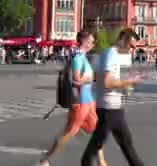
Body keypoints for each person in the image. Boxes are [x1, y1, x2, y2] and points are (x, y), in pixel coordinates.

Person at [39, 31, 107, 166]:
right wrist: (90, 78)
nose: (93, 44)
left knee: (97, 131)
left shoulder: (83, 57)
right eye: (92, 41)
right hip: (80, 101)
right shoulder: (77, 57)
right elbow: (76, 80)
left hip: (89, 101)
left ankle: (101, 162)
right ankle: (45, 160)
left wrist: (92, 79)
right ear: (85, 42)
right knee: (69, 132)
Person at [80, 28, 145, 166]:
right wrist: (130, 81)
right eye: (131, 45)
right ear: (123, 40)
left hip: (114, 107)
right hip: (108, 109)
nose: (132, 49)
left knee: (126, 145)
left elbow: (97, 79)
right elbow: (107, 82)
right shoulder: (111, 55)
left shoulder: (108, 54)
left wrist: (124, 84)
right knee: (93, 150)